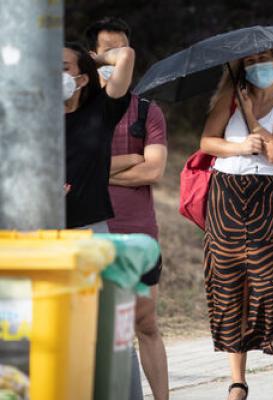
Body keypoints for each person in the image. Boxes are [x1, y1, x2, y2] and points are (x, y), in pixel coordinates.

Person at [200, 47, 273, 400]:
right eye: (249, 62)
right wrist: (241, 147)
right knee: (229, 287)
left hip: (265, 196)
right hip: (225, 195)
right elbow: (207, 141)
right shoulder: (230, 94)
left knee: (272, 286)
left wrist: (251, 116)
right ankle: (237, 381)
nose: (257, 67)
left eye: (264, 60)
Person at [85, 17, 169, 400]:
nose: (117, 57)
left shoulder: (146, 111)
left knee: (145, 323)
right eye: (108, 49)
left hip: (139, 234)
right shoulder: (78, 112)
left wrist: (95, 170)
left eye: (123, 49)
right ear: (92, 56)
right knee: (94, 328)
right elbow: (69, 169)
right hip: (88, 232)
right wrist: (124, 161)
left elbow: (153, 169)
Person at [63, 41, 133, 231]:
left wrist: (95, 60)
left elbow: (125, 55)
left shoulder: (100, 111)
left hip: (88, 227)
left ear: (82, 79)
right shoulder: (32, 119)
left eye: (64, 68)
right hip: (37, 226)